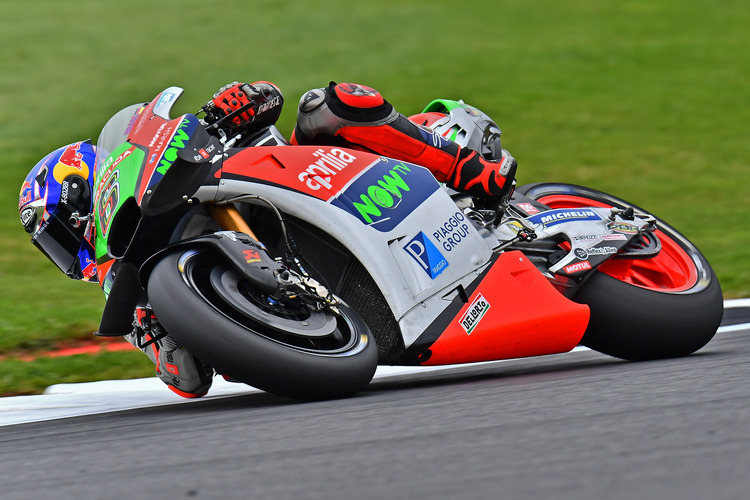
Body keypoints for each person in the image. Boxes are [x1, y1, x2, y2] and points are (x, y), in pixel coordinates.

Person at [19, 80, 517, 398]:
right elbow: (188, 381)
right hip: (342, 319)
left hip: (328, 181)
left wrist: (236, 104)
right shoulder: (128, 295)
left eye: (64, 227)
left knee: (333, 104)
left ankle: (471, 171)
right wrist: (155, 328)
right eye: (55, 245)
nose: (69, 246)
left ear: (87, 188)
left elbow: (268, 96)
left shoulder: (184, 155)